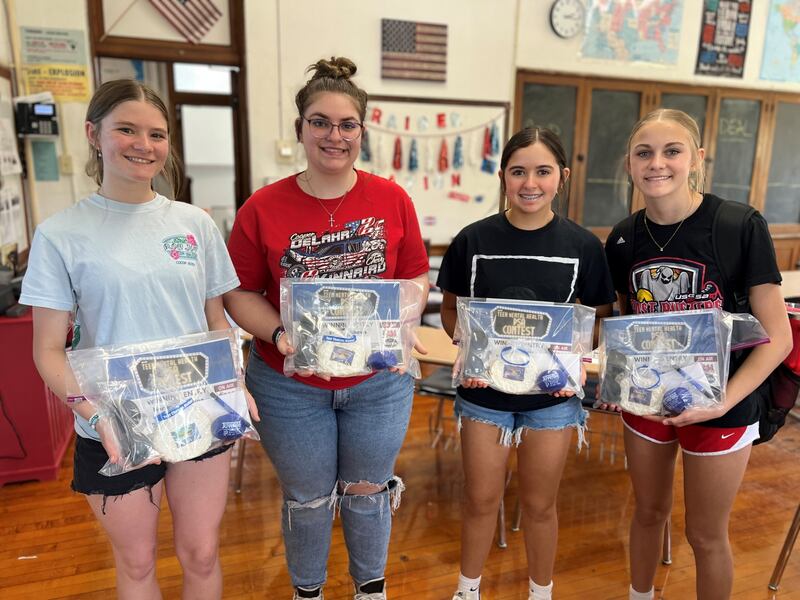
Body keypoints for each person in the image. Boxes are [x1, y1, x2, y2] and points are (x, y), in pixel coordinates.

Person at [20, 79, 245, 600]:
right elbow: (48, 349)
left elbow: (216, 320)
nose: (144, 144)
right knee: (138, 563)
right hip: (113, 422)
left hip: (196, 412)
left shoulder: (194, 224)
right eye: (127, 129)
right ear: (93, 134)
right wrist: (93, 415)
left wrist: (233, 383)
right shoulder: (61, 233)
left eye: (157, 134)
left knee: (202, 552)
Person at [224, 57, 429, 600]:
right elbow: (239, 292)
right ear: (300, 130)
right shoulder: (262, 207)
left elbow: (413, 277)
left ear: (362, 130)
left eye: (346, 124)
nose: (333, 135)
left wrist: (399, 324)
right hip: (290, 384)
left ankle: (370, 590)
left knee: (367, 493)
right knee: (308, 499)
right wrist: (277, 336)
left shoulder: (392, 199)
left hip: (377, 382)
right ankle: (308, 591)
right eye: (319, 122)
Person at [604, 108, 792, 600]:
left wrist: (721, 402)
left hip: (721, 405)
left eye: (672, 151)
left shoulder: (738, 225)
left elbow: (780, 337)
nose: (657, 163)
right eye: (644, 152)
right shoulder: (623, 238)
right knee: (647, 514)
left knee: (705, 535)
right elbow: (626, 328)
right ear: (629, 163)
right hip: (647, 401)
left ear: (696, 158)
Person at [437, 127, 616, 600]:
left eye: (542, 171)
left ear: (563, 176)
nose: (530, 182)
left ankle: (541, 592)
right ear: (503, 177)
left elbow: (597, 319)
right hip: (484, 394)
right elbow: (451, 309)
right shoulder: (472, 239)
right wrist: (468, 343)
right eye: (518, 171)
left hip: (551, 400)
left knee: (540, 505)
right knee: (479, 500)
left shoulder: (583, 246)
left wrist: (574, 357)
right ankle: (467, 590)